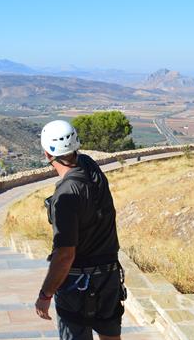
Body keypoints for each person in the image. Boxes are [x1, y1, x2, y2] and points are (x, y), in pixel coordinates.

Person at [35, 120, 125, 340]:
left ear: (48, 155)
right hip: (109, 276)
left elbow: (65, 255)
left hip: (77, 284)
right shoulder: (89, 165)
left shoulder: (65, 196)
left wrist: (45, 294)